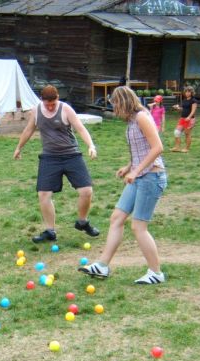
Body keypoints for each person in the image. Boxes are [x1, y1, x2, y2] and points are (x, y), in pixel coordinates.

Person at [79, 86, 167, 284]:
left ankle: (156, 273)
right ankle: (102, 266)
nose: (115, 109)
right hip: (139, 176)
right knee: (116, 218)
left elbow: (157, 148)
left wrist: (136, 171)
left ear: (124, 101)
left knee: (138, 227)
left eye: (115, 104)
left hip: (151, 177)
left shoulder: (142, 118)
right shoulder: (132, 121)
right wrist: (129, 167)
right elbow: (141, 149)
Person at [13, 85, 100, 243]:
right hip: (49, 157)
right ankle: (50, 231)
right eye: (48, 104)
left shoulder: (66, 109)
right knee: (43, 194)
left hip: (72, 155)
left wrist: (91, 145)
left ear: (58, 98)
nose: (51, 107)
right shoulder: (37, 111)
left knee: (86, 191)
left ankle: (82, 222)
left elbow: (80, 128)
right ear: (42, 100)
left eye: (53, 103)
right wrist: (19, 148)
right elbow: (28, 130)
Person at [171, 86, 197, 153]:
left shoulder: (193, 100)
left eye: (189, 92)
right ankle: (177, 147)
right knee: (176, 132)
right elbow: (183, 109)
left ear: (191, 92)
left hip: (189, 119)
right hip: (182, 118)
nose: (187, 93)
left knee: (187, 134)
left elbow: (193, 110)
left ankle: (186, 148)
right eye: (186, 91)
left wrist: (189, 117)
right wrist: (177, 108)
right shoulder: (184, 100)